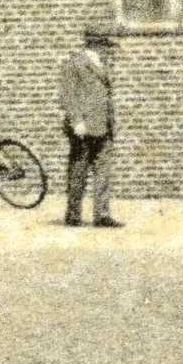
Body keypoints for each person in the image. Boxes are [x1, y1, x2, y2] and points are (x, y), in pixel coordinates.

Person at [59, 22, 120, 227]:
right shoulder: (74, 63)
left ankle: (102, 215)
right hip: (83, 127)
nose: (108, 50)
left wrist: (112, 122)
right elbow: (67, 95)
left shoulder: (102, 64)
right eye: (105, 45)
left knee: (104, 171)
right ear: (96, 44)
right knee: (79, 171)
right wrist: (76, 121)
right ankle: (73, 214)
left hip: (104, 125)